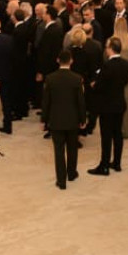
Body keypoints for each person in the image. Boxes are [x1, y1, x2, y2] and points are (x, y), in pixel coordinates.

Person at [42, 49, 84, 188]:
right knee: (72, 148)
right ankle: (71, 173)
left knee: (58, 150)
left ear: (57, 60)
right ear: (71, 61)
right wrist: (82, 119)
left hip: (56, 120)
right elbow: (80, 102)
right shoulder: (77, 79)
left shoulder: (50, 78)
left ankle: (61, 181)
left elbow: (46, 102)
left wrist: (44, 120)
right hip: (73, 120)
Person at [88, 36, 128, 175]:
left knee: (106, 136)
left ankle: (104, 165)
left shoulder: (107, 66)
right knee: (117, 134)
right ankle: (117, 163)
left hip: (107, 105)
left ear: (110, 49)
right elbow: (124, 82)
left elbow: (100, 86)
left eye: (107, 47)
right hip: (119, 103)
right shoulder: (126, 64)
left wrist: (94, 84)